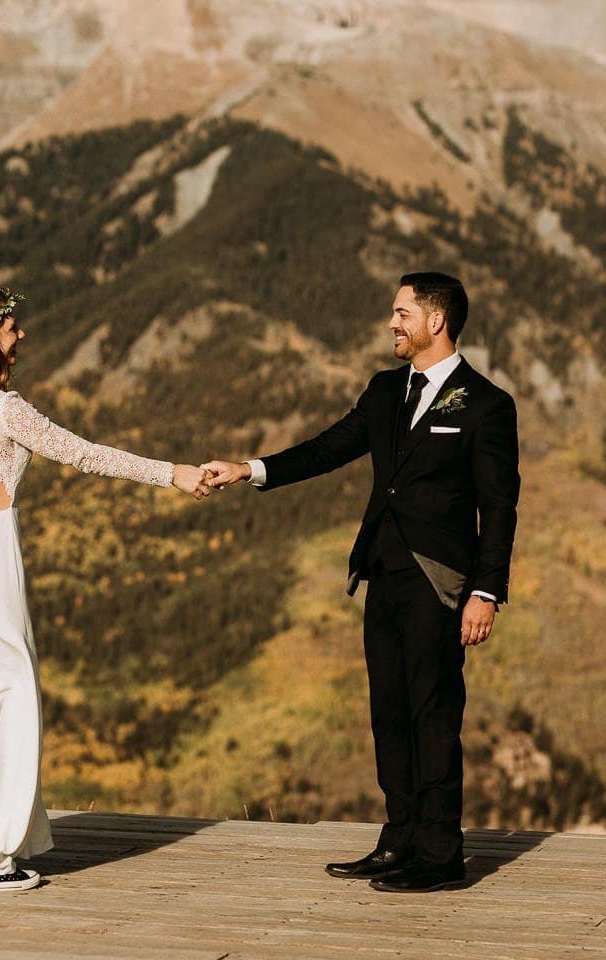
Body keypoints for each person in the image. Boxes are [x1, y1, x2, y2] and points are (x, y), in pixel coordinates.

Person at [203, 272, 519, 893]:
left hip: (440, 583)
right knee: (389, 714)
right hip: (382, 574)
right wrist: (249, 469)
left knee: (433, 714)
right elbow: (327, 449)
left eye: (402, 313)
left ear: (435, 321)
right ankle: (399, 839)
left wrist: (486, 592)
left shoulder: (487, 404)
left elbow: (500, 506)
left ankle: (441, 854)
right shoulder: (384, 390)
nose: (392, 323)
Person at [0, 286, 211, 892]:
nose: (21, 335)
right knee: (2, 701)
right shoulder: (2, 410)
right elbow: (84, 454)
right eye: (12, 327)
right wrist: (173, 474)